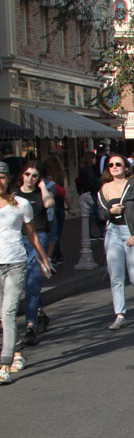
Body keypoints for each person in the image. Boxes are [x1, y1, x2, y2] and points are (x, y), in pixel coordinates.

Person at [0, 162, 52, 383]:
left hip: (15, 262)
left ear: (8, 179)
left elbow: (32, 235)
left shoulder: (21, 204)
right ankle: (17, 348)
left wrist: (43, 259)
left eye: (2, 177)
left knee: (8, 312)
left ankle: (4, 365)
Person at [96, 153, 134, 329]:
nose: (114, 167)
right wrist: (111, 212)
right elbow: (100, 214)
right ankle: (120, 314)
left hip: (132, 232)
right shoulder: (104, 189)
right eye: (111, 165)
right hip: (112, 232)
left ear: (126, 167)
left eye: (118, 164)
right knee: (116, 276)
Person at [18, 162, 55, 345]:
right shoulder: (15, 196)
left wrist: (42, 187)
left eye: (34, 175)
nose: (30, 178)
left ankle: (30, 326)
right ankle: (40, 312)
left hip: (38, 237)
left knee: (32, 281)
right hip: (19, 239)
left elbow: (49, 203)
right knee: (27, 282)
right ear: (22, 175)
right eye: (27, 174)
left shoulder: (40, 193)